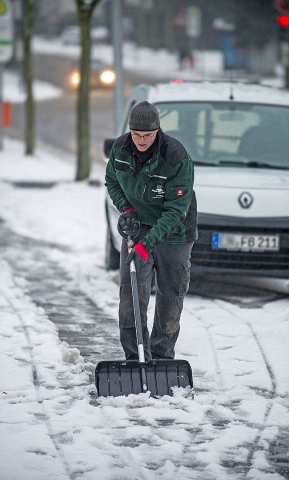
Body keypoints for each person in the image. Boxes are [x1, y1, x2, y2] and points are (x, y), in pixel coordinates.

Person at [105, 101, 198, 361]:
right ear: (130, 131)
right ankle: (135, 357)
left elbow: (175, 211)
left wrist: (148, 244)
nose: (141, 140)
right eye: (136, 135)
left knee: (170, 295)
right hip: (138, 229)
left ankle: (162, 356)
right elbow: (111, 180)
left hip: (175, 232)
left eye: (147, 135)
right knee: (132, 292)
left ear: (158, 130)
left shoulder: (176, 157)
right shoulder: (120, 149)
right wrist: (126, 209)